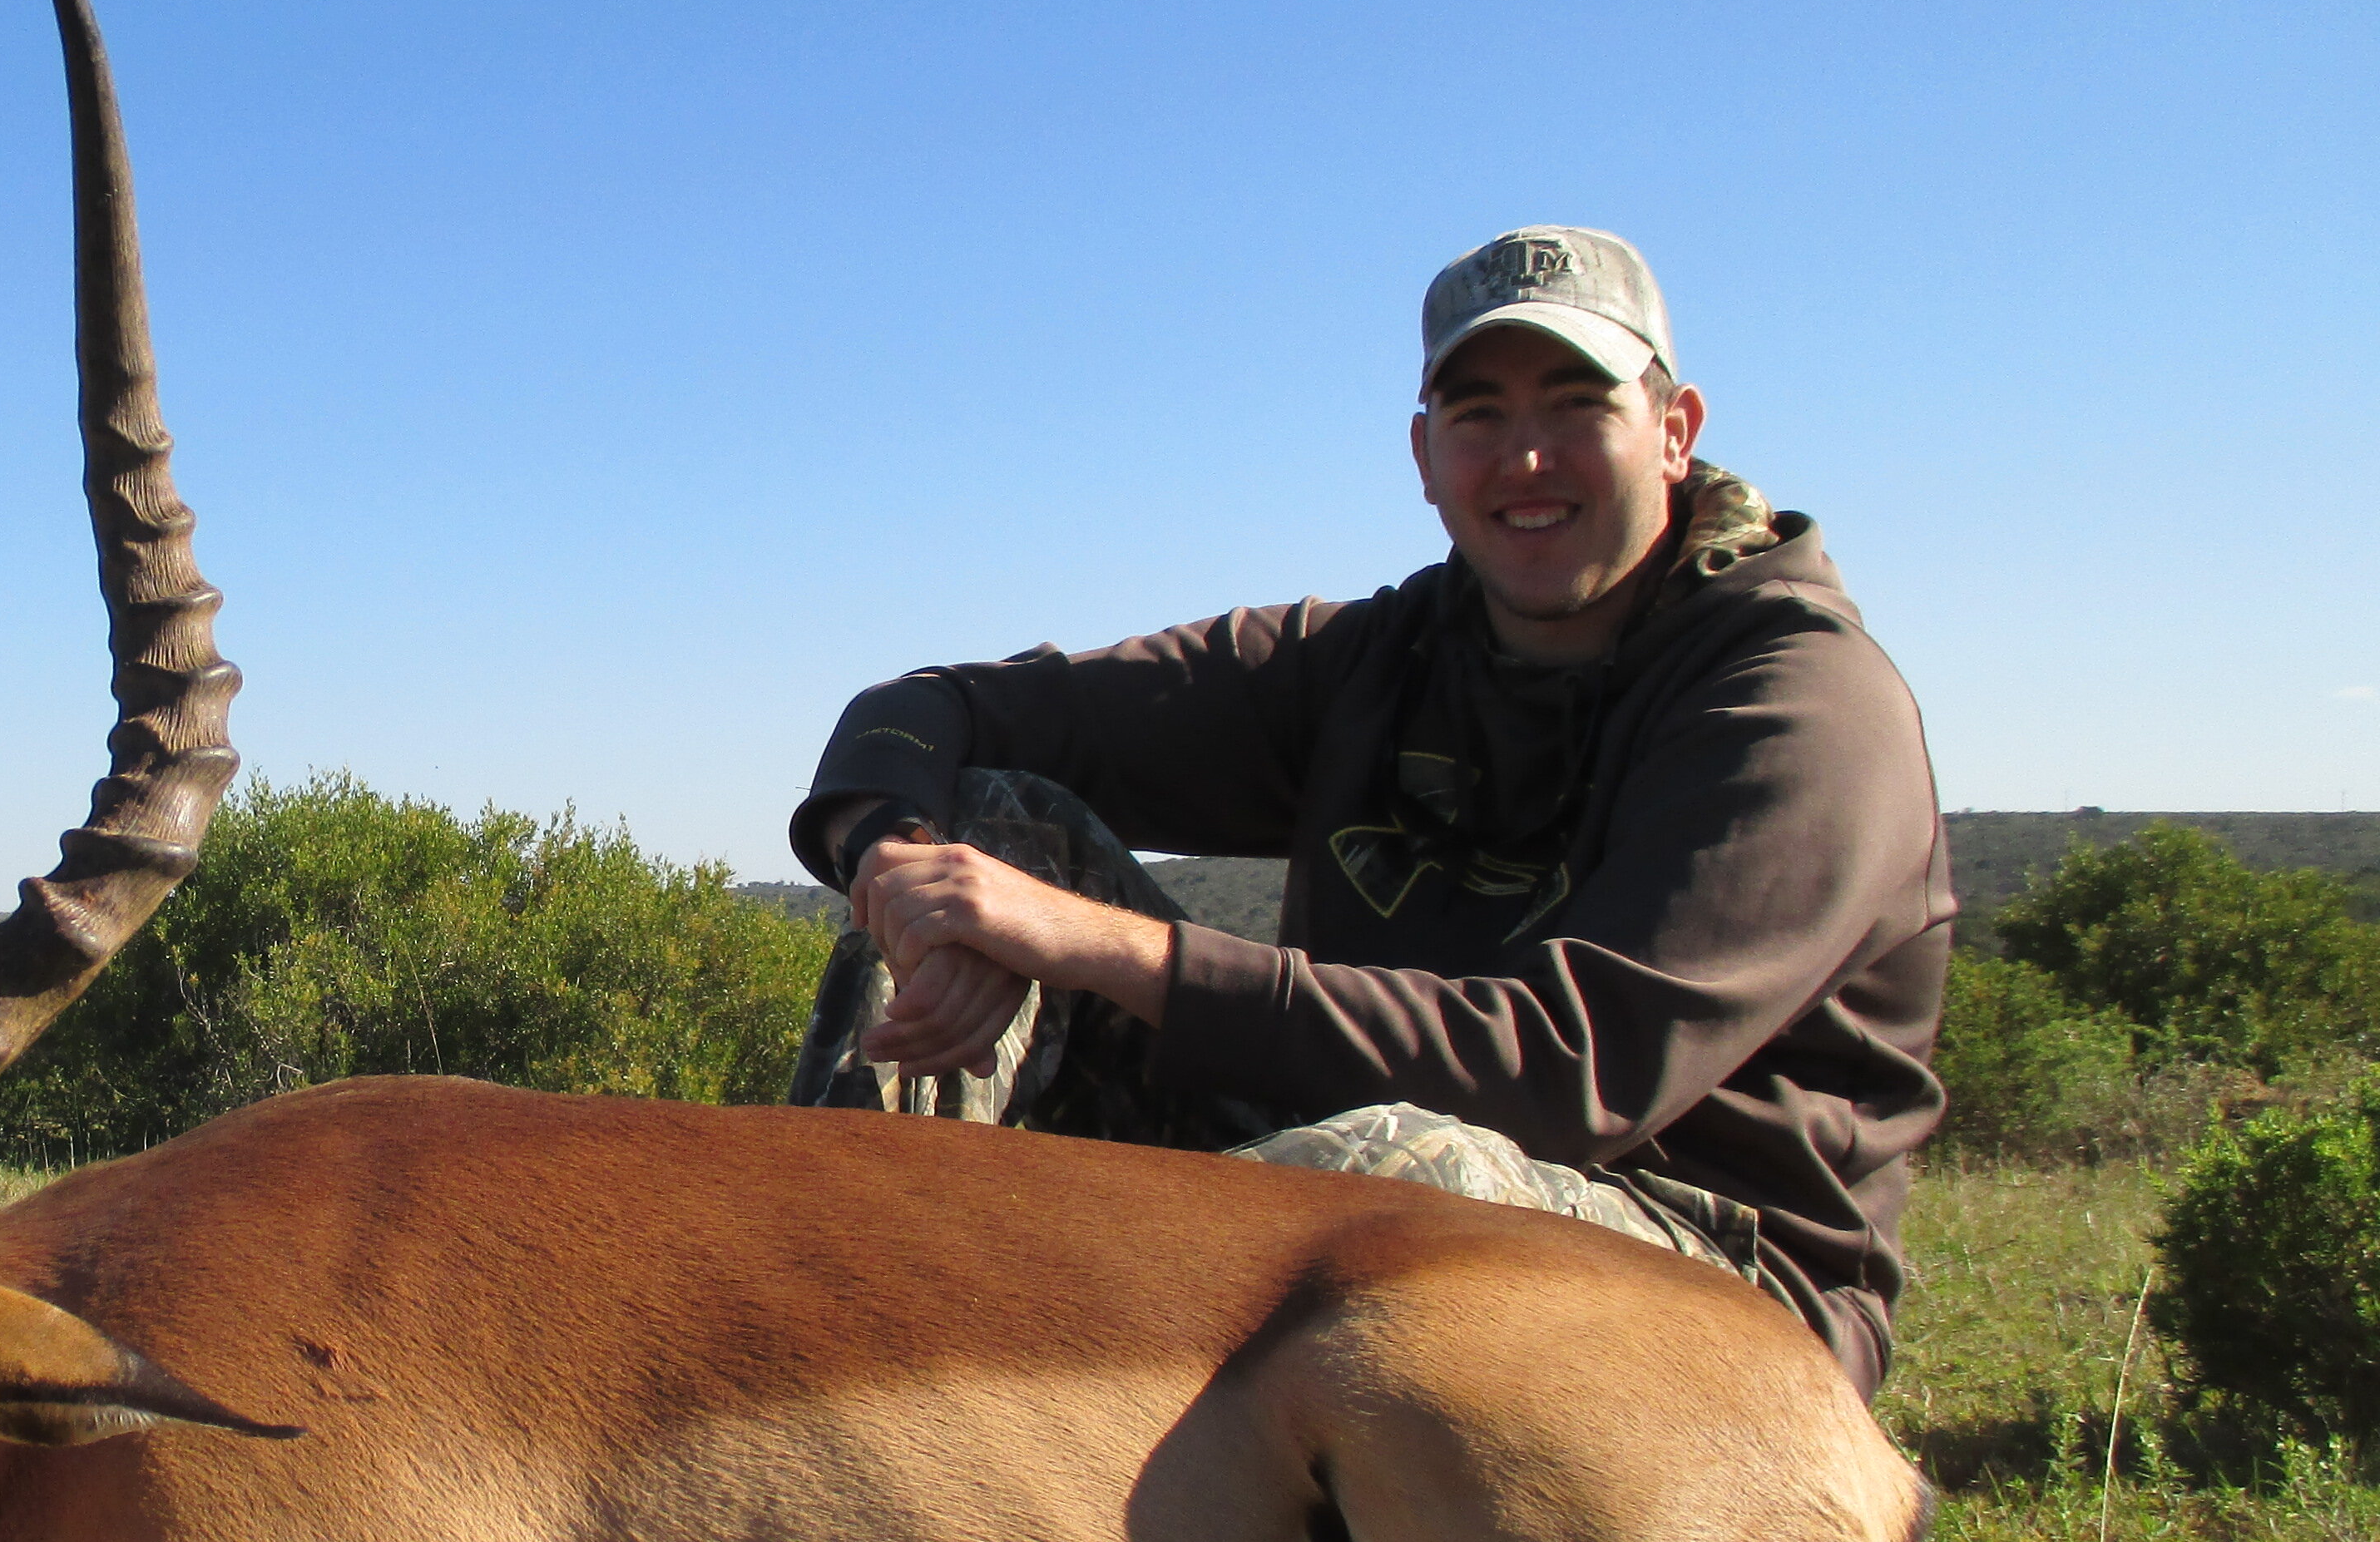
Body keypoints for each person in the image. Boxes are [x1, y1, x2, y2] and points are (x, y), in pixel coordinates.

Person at [786, 226, 1950, 1399]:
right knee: (985, 825)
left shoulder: (1799, 700)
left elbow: (1569, 1070)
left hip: (1716, 1277)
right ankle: (810, 1370)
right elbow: (925, 711)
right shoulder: (1372, 663)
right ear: (1425, 453)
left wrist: (1098, 947)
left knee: (1398, 1177)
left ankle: (1020, 1459)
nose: (1527, 459)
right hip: (1334, 1180)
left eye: (1576, 405)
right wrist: (911, 877)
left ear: (1675, 430)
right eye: (1480, 413)